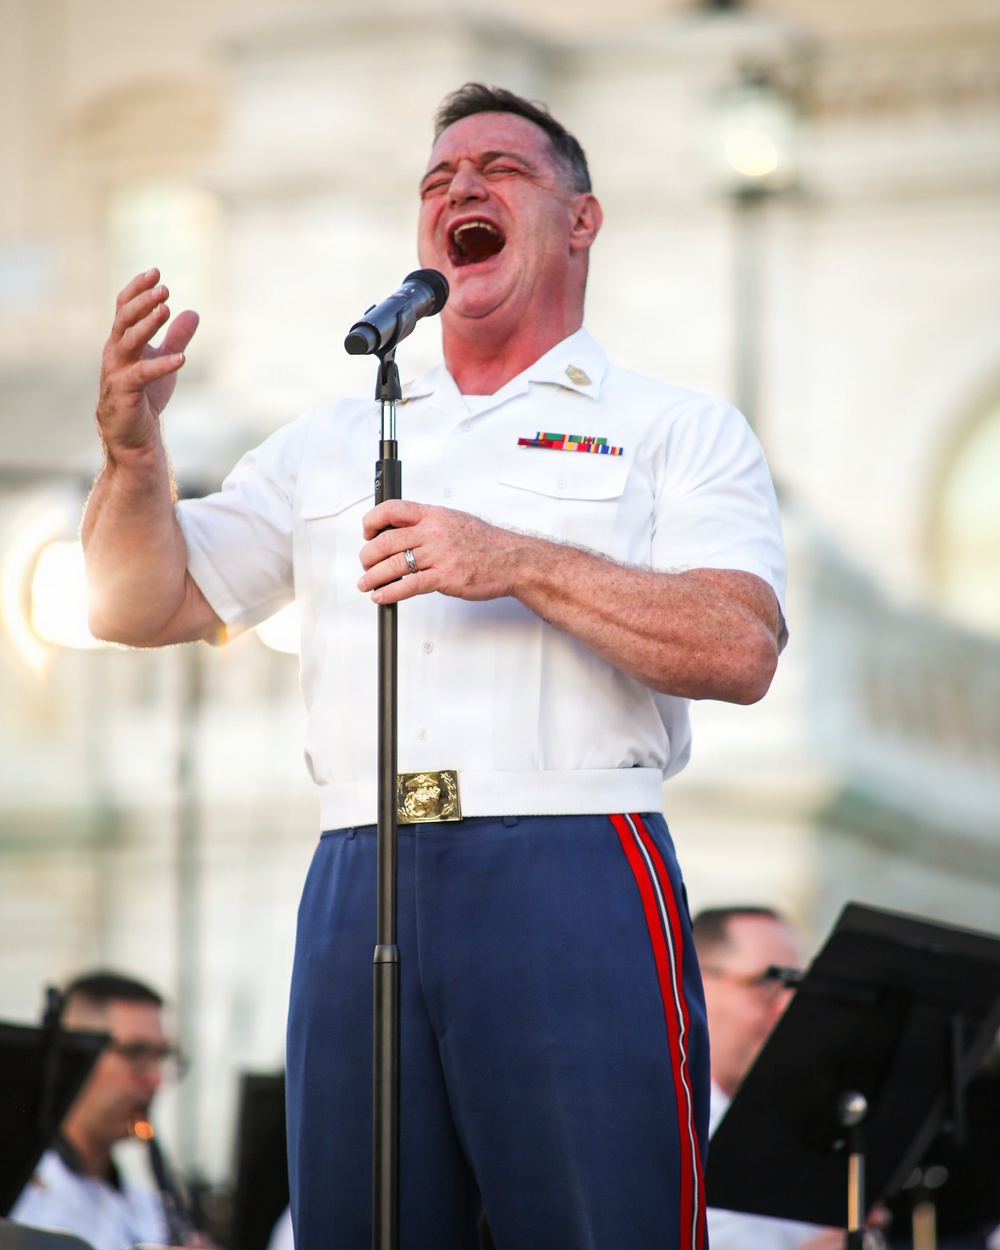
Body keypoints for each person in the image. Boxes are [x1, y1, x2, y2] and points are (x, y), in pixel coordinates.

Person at [81, 82, 788, 1250]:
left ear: (581, 220)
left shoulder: (673, 426)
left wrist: (510, 558)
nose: (458, 187)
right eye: (435, 180)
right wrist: (130, 451)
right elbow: (136, 601)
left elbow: (738, 644)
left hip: (570, 856)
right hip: (359, 863)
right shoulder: (329, 438)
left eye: (499, 170)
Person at [692, 907, 845, 1250]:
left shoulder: (799, 1124)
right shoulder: (659, 1123)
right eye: (768, 982)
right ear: (696, 984)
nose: (788, 1006)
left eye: (798, 987)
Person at [10, 972, 189, 1250]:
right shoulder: (18, 1200)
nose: (156, 1078)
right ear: (77, 1056)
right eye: (135, 1052)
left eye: (161, 1057)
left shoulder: (149, 1209)